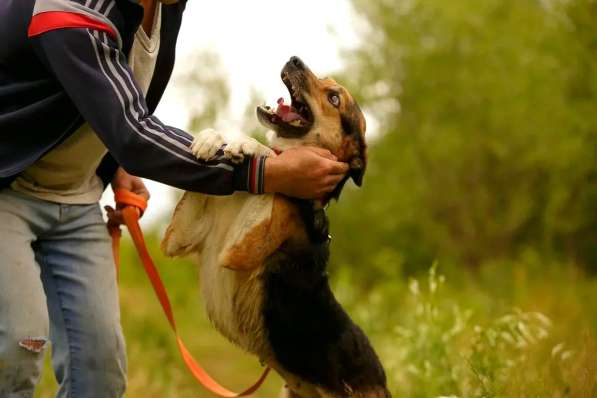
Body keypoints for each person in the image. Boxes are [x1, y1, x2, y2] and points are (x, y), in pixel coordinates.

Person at [0, 0, 350, 396]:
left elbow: (113, 92)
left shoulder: (168, 8)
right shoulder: (69, 4)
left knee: (100, 373)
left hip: (76, 198)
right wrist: (268, 173)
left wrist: (110, 162)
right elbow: (132, 132)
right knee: (16, 349)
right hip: (6, 187)